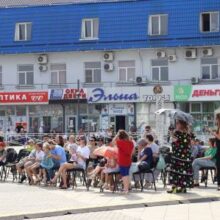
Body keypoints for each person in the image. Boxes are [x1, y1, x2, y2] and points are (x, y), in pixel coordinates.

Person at [167, 119, 193, 193]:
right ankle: (183, 187)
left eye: (177, 124)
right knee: (184, 171)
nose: (176, 125)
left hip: (178, 155)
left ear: (181, 124)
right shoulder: (189, 132)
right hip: (186, 155)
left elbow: (174, 141)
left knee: (176, 171)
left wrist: (171, 133)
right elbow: (192, 142)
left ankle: (174, 188)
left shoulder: (177, 132)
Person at [210, 113, 220, 190]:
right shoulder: (218, 128)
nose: (216, 120)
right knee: (218, 165)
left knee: (219, 165)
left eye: (216, 119)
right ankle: (219, 183)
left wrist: (213, 133)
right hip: (218, 149)